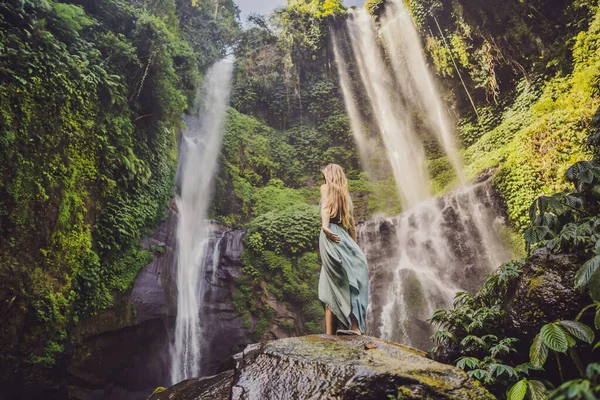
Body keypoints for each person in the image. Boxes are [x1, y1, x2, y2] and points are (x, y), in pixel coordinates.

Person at [318, 163, 369, 336]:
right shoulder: (345, 196)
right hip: (343, 238)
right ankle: (353, 327)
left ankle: (332, 334)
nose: (324, 177)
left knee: (332, 283)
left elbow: (325, 207)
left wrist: (325, 227)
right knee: (348, 278)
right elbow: (352, 227)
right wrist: (354, 249)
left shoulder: (325, 188)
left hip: (330, 235)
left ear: (329, 175)